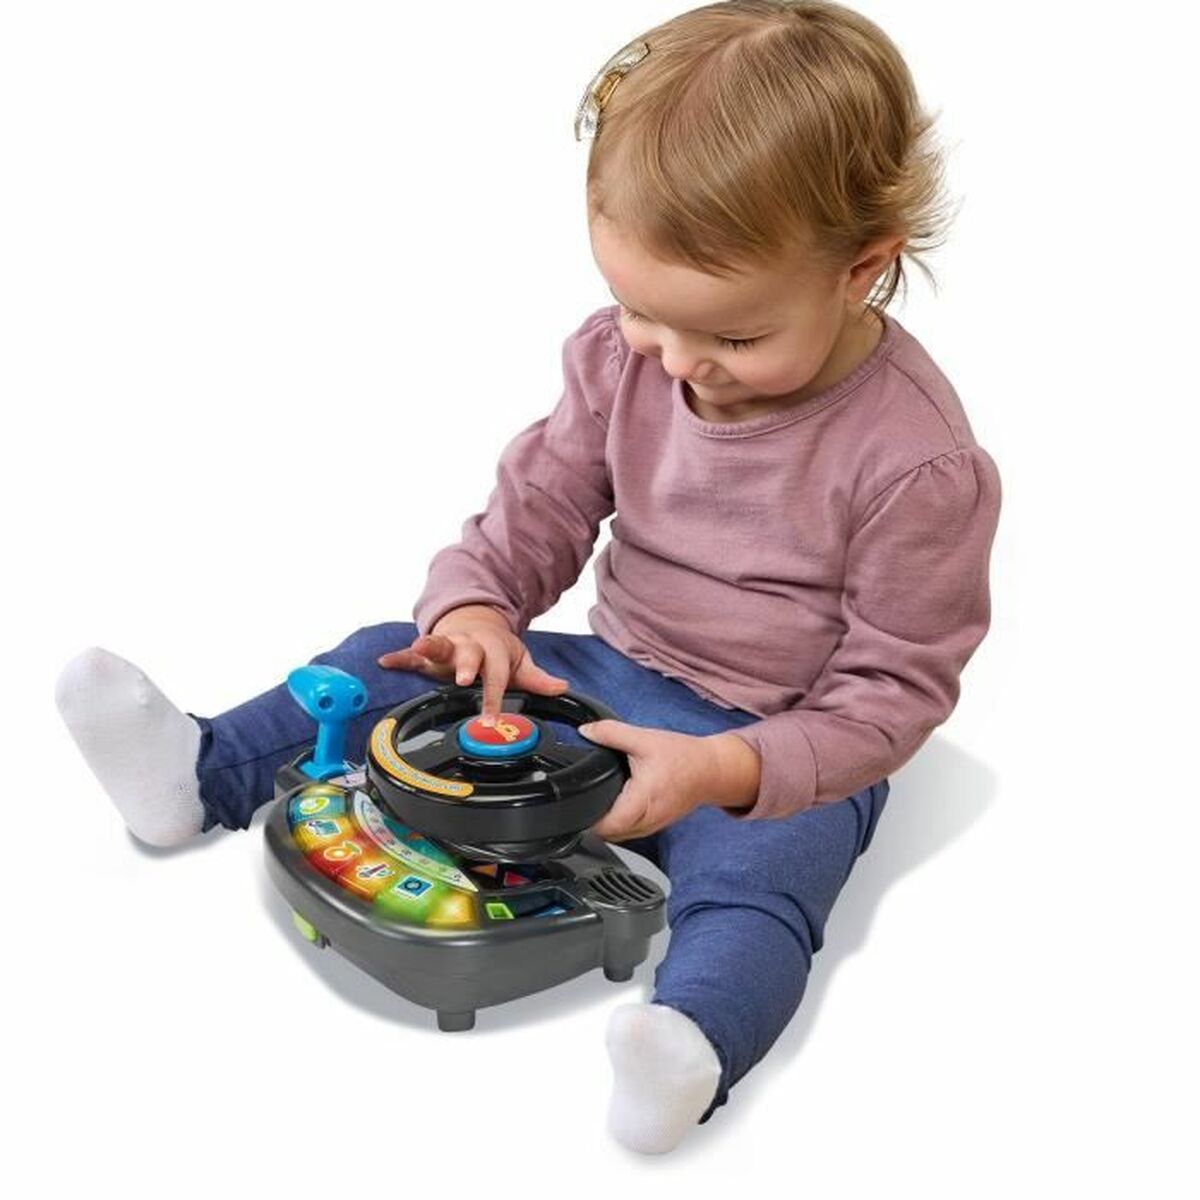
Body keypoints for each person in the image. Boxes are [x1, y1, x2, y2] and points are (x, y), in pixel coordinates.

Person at [55, 0, 1001, 1155]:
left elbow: (893, 696)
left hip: (772, 733)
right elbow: (541, 505)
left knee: (772, 867)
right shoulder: (622, 357)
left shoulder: (920, 465)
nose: (679, 361)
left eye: (734, 338)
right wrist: (477, 608)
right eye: (643, 311)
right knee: (387, 657)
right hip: (598, 675)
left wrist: (731, 767)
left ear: (862, 270)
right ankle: (198, 773)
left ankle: (690, 1042)